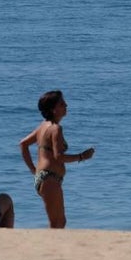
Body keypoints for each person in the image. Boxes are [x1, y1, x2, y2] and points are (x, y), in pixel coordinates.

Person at [20, 90, 95, 229]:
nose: (66, 105)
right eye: (62, 103)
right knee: (56, 224)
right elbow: (58, 156)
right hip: (49, 178)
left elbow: (23, 144)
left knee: (60, 222)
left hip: (46, 178)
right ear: (54, 109)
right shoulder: (55, 129)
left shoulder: (43, 126)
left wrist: (34, 170)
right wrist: (82, 156)